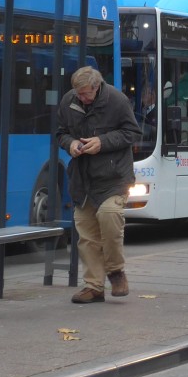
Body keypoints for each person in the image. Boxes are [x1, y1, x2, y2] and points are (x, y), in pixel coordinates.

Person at [56, 66, 142, 303]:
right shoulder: (68, 100)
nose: (80, 98)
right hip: (83, 179)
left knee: (109, 216)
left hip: (114, 177)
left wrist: (102, 142)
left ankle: (115, 271)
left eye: (85, 94)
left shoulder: (116, 100)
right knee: (86, 233)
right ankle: (93, 287)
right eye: (77, 93)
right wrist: (70, 144)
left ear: (97, 87)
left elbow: (132, 132)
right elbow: (60, 133)